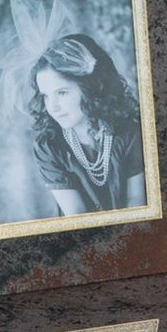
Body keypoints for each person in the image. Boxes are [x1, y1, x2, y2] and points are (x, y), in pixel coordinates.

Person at [27, 34, 146, 216]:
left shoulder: (129, 132)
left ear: (91, 88)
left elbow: (137, 202)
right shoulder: (49, 144)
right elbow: (75, 213)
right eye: (45, 96)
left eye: (62, 93)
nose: (53, 107)